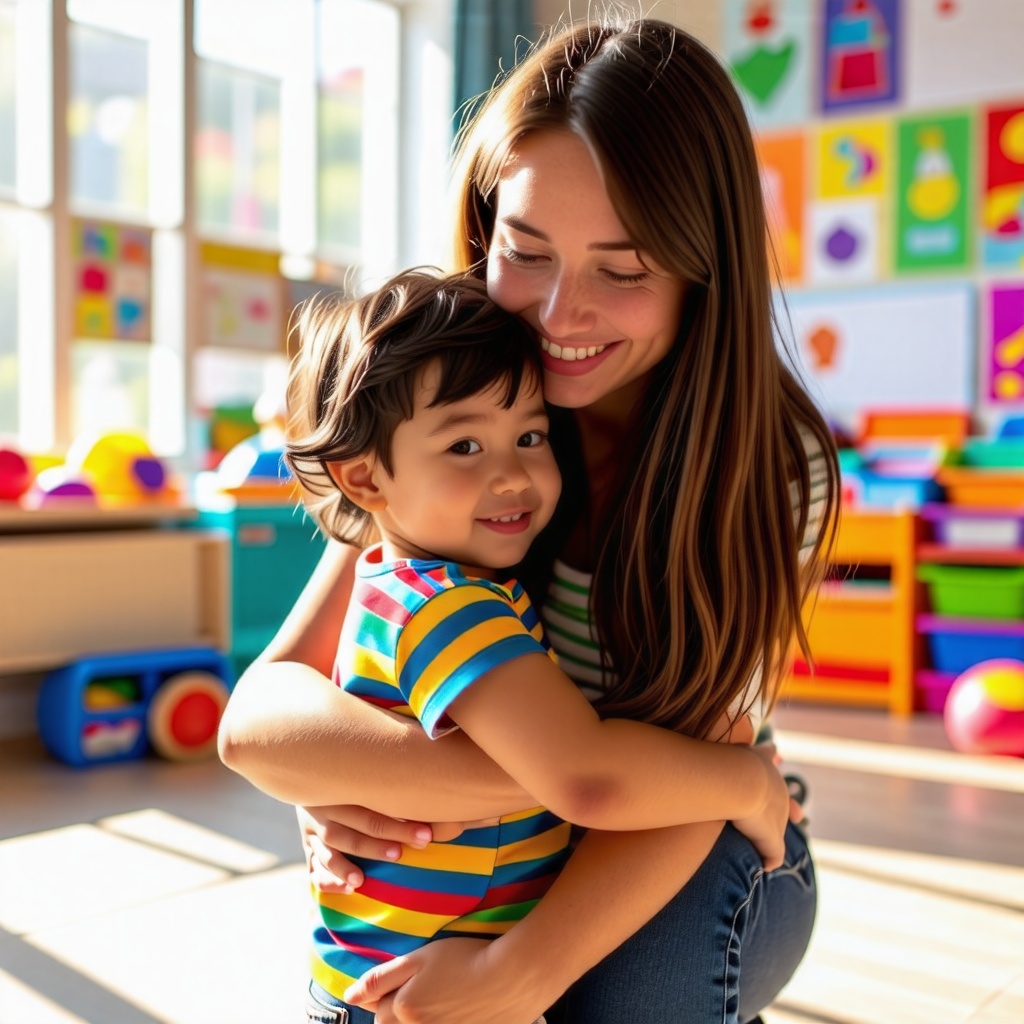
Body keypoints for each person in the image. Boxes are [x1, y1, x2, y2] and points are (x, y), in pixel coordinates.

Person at [218, 14, 839, 1024]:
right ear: (484, 223)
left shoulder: (763, 471)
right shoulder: (449, 406)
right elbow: (258, 720)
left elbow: (678, 784)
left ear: (701, 270)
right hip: (573, 815)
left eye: (623, 269)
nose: (559, 312)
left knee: (611, 1003)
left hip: (693, 831)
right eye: (527, 248)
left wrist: (520, 973)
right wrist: (355, 785)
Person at [278, 267, 791, 1022]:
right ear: (365, 479)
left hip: (392, 974)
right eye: (463, 447)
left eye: (528, 435)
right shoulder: (449, 606)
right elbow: (586, 777)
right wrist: (746, 779)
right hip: (422, 992)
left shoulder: (406, 582)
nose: (513, 474)